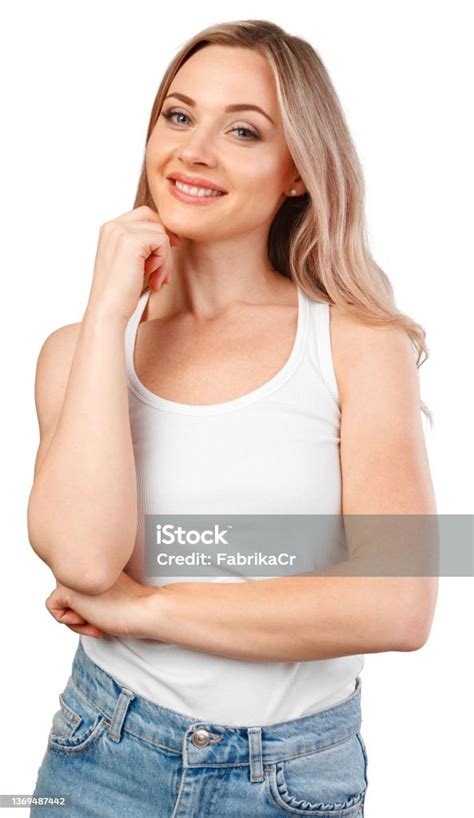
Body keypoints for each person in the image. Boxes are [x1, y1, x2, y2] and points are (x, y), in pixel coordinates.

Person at [27, 18, 438, 818]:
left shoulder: (359, 344)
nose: (194, 150)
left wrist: (148, 609)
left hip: (291, 779)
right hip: (103, 755)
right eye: (178, 116)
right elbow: (82, 561)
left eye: (243, 130)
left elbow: (400, 603)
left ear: (296, 173)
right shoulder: (77, 350)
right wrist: (110, 310)